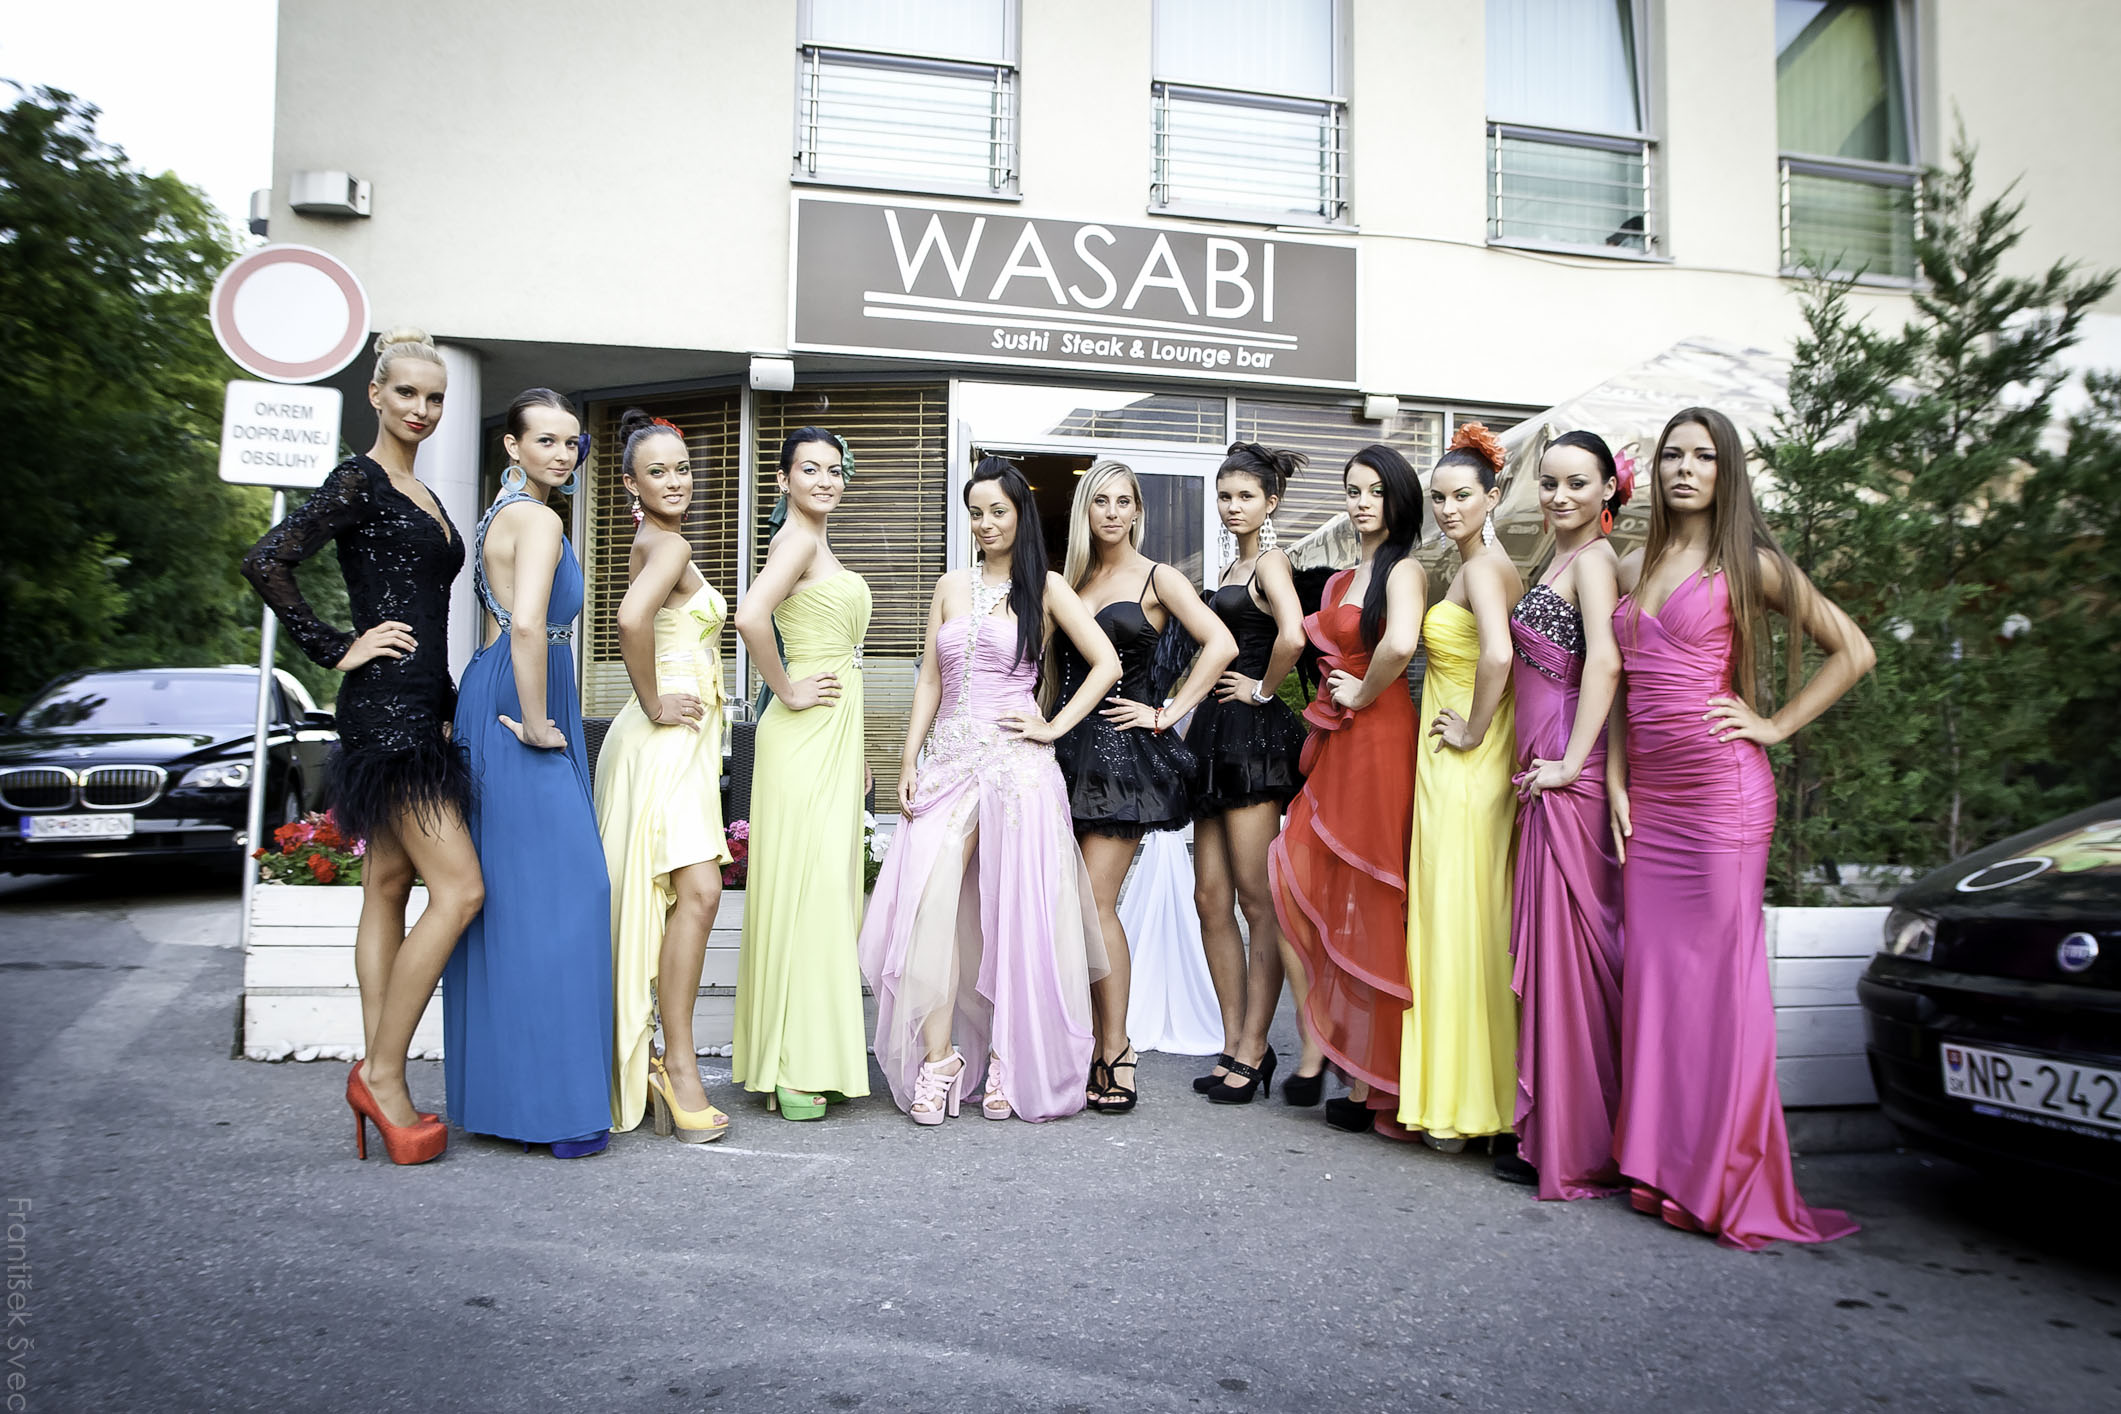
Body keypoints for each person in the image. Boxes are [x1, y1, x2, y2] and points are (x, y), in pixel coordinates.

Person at [1609, 406, 1874, 1248]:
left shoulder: (1750, 564)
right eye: (1672, 456)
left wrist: (1774, 724)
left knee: (1719, 995)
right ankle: (1662, 1170)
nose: (1684, 469)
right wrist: (1614, 779)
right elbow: (1619, 688)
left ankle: (1720, 1179)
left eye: (1703, 456)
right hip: (1652, 806)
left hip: (1721, 801)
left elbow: (1853, 649)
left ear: (1726, 472)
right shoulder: (1633, 563)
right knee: (1658, 988)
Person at [240, 328, 478, 1165]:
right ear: (375, 395)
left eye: (435, 396)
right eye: (406, 392)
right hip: (384, 710)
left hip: (422, 704)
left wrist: (446, 703)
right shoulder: (360, 479)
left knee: (388, 884)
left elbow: (426, 607)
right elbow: (267, 559)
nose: (422, 408)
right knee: (461, 890)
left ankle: (379, 1072)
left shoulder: (422, 490)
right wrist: (335, 646)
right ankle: (381, 1075)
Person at [858, 458, 1120, 1124]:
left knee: (1014, 915)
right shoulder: (950, 585)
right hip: (947, 765)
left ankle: (1008, 1056)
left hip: (1015, 768)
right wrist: (907, 757)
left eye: (998, 511)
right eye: (975, 512)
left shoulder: (1047, 587)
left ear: (1020, 514)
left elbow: (1106, 664)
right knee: (929, 903)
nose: (985, 523)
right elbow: (929, 679)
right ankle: (939, 1058)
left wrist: (1052, 725)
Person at [443, 388, 613, 1158]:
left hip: (490, 694)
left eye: (571, 442)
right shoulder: (540, 520)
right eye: (545, 440)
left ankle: (507, 1100)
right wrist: (541, 722)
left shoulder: (498, 517)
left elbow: (501, 624)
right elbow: (527, 626)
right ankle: (557, 1111)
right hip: (522, 702)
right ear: (511, 446)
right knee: (573, 891)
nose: (562, 453)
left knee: (515, 898)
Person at [1051, 461, 1236, 1113]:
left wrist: (1166, 712)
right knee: (1064, 909)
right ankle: (1079, 1043)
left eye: (1122, 501)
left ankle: (1116, 1048)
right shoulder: (1070, 580)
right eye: (1099, 500)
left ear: (1137, 511)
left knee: (1094, 904)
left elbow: (1220, 644)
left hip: (1124, 761)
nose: (1111, 512)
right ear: (1085, 509)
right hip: (1063, 755)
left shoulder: (1160, 578)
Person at [1268, 445, 1425, 1133]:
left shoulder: (1405, 569)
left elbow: (1400, 644)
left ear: (1398, 499)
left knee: (1370, 891)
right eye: (1353, 490)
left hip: (1380, 732)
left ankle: (1370, 1083)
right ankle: (1331, 1050)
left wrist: (1360, 691)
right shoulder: (1343, 577)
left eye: (1375, 491)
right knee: (1296, 875)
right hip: (1340, 738)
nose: (1362, 502)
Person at [593, 409, 734, 1144]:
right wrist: (652, 701)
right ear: (631, 484)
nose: (675, 481)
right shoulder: (669, 544)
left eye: (682, 468)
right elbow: (628, 620)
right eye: (658, 472)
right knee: (700, 892)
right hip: (663, 737)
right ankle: (676, 1066)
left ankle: (667, 1059)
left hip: (680, 740)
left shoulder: (656, 540)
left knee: (694, 895)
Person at [1496, 431, 1627, 1196]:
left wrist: (1573, 765)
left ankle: (1573, 1143)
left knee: (1571, 954)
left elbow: (1606, 660)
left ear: (1607, 490)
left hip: (1565, 771)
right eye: (1548, 483)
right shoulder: (1559, 557)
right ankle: (1549, 1129)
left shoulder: (1596, 562)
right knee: (1554, 952)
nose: (1558, 496)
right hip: (1543, 763)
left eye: (1577, 483)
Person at [731, 427, 873, 1119]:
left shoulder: (813, 541)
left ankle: (802, 1053)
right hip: (803, 734)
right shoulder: (796, 542)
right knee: (810, 892)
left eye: (834, 470)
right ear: (784, 479)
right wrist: (784, 691)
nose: (826, 481)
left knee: (821, 892)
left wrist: (859, 751)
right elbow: (749, 616)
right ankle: (794, 1065)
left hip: (831, 736)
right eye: (810, 469)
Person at [1399, 424, 1523, 1151]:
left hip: (1463, 766)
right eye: (1439, 498)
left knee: (1455, 917)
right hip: (1469, 764)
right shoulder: (1483, 564)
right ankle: (1478, 1093)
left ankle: (1463, 1101)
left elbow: (1500, 656)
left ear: (1492, 497)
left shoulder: (1481, 570)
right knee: (1472, 917)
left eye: (1462, 497)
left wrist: (1473, 729)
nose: (1447, 509)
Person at [1189, 443, 1309, 1106]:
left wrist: (1263, 690)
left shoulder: (1269, 562)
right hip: (1215, 735)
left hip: (1250, 739)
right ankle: (1234, 1039)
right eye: (1224, 496)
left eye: (1245, 496)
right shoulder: (1233, 565)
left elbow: (1292, 635)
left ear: (1271, 502)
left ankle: (1256, 1045)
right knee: (1210, 898)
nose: (1232, 506)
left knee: (1256, 900)